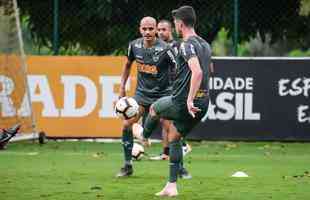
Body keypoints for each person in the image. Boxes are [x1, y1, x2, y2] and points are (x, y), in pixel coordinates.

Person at [133, 6, 212, 196]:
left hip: (183, 102)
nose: (175, 26)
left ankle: (143, 135)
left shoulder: (186, 44)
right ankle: (171, 186)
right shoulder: (206, 45)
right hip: (204, 104)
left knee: (153, 108)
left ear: (180, 24)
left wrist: (189, 98)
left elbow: (198, 71)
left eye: (175, 23)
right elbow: (209, 70)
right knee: (175, 137)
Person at [116, 16, 177, 177]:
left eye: (151, 29)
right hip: (142, 95)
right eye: (145, 29)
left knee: (172, 130)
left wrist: (177, 89)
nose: (148, 32)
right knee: (125, 125)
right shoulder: (134, 46)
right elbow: (128, 65)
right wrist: (122, 87)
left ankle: (180, 168)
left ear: (156, 30)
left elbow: (178, 68)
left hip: (163, 95)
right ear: (140, 29)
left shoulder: (166, 48)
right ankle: (127, 165)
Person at [150, 19, 192, 161]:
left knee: (167, 120)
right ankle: (166, 152)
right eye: (159, 30)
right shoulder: (158, 47)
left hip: (174, 88)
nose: (161, 32)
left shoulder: (177, 46)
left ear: (171, 31)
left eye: (164, 30)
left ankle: (183, 145)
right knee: (164, 120)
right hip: (164, 88)